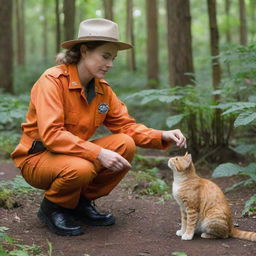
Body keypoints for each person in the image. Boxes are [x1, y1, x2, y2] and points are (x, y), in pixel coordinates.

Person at [11, 18, 186, 236]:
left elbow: (125, 127)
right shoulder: (52, 81)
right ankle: (53, 208)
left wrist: (162, 135)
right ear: (84, 51)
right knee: (81, 168)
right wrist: (98, 153)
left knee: (125, 144)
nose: (110, 64)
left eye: (113, 58)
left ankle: (80, 203)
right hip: (38, 158)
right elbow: (52, 135)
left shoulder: (102, 89)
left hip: (73, 155)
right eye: (105, 56)